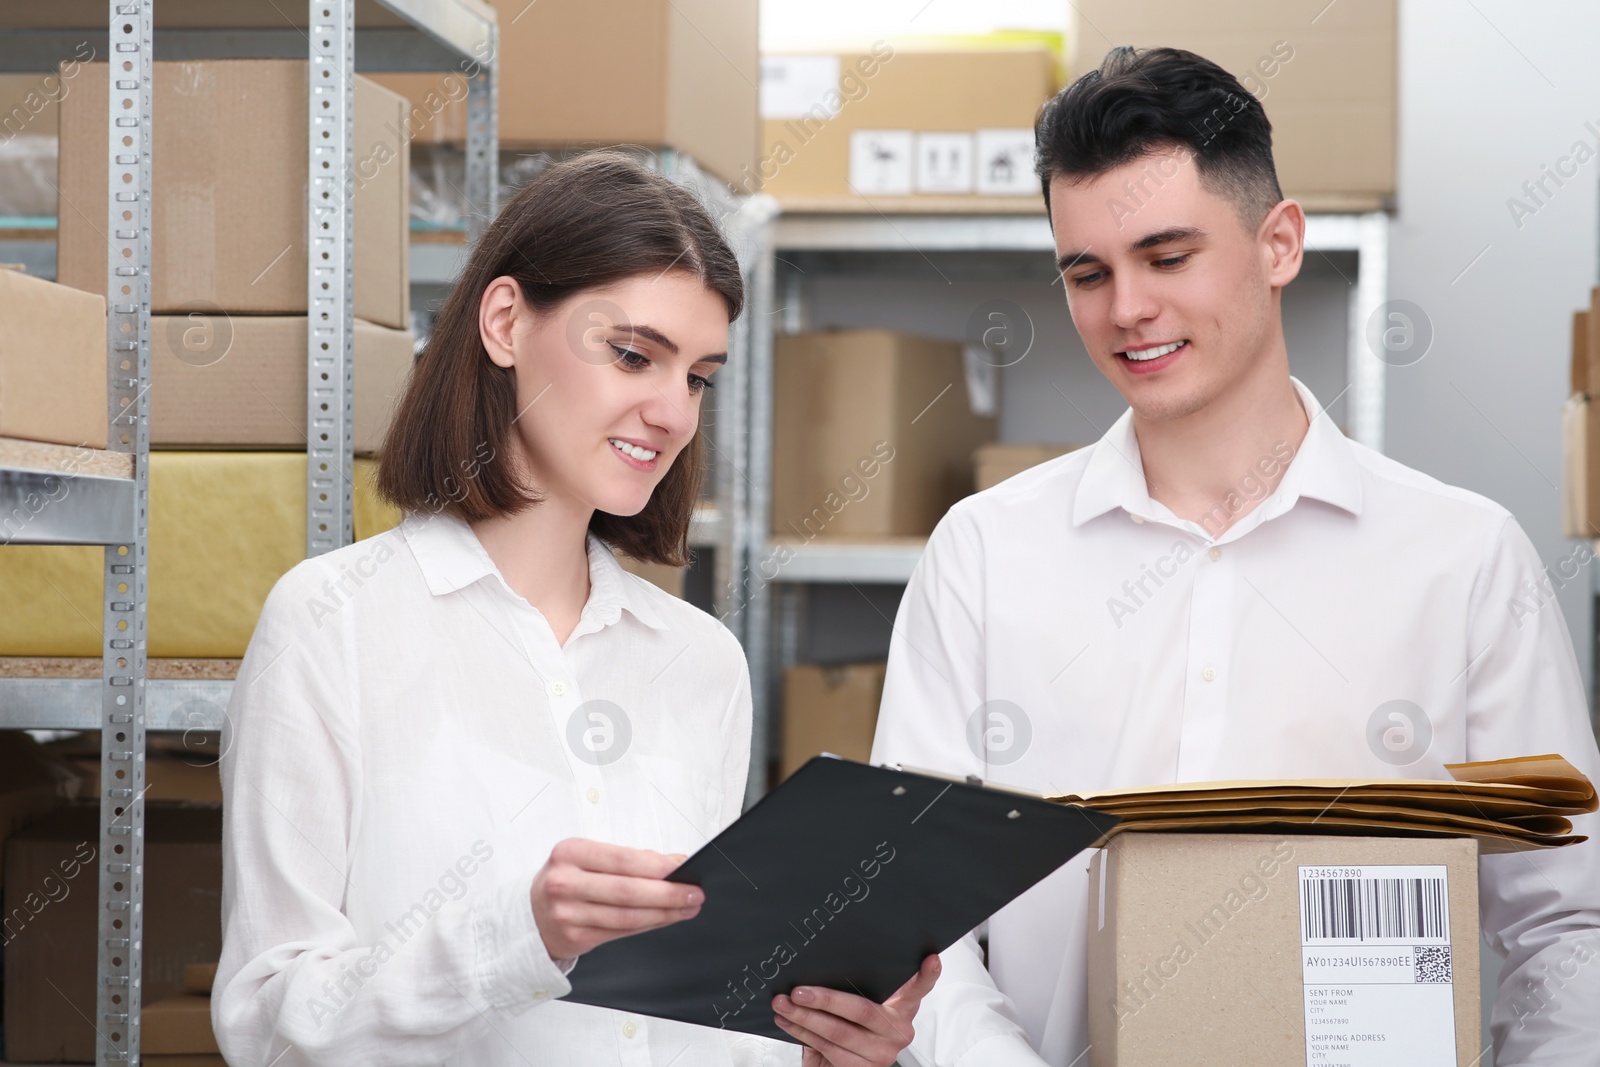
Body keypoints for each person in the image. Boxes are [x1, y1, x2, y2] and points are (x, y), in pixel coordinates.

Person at [870, 47, 1600, 1067]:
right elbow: (913, 909)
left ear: (1278, 244)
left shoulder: (1463, 559)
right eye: (1088, 271)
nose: (1126, 308)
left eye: (1167, 256)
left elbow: (1560, 926)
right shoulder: (984, 555)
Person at [213, 151, 938, 1067]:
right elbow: (267, 1022)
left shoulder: (700, 658)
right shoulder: (334, 621)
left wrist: (820, 1044)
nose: (673, 411)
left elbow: (680, 1019)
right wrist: (517, 934)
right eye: (633, 353)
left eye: (699, 376)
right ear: (507, 321)